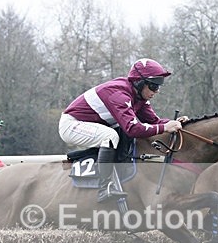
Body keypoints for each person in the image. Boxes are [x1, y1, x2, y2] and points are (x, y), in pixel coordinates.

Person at [59, 58, 187, 203]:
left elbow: (154, 122)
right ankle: (104, 188)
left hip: (92, 124)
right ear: (139, 82)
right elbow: (133, 129)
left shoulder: (139, 97)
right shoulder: (119, 95)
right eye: (153, 86)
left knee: (115, 135)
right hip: (72, 125)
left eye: (159, 86)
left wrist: (173, 123)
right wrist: (165, 127)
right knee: (110, 136)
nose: (156, 91)